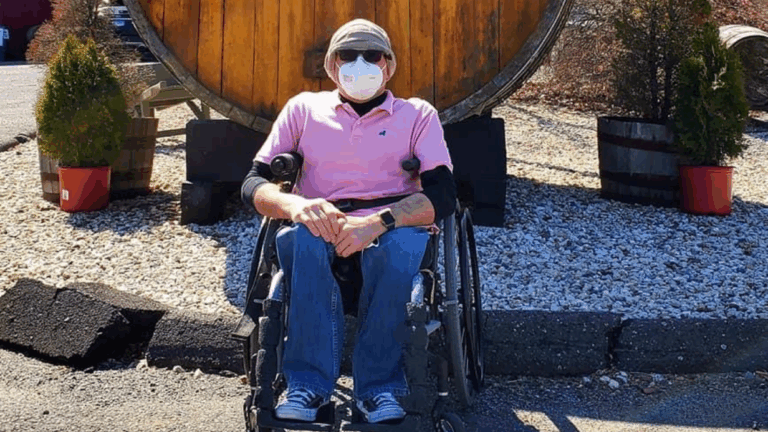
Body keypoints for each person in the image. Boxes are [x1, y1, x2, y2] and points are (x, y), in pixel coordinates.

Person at [241, 18, 456, 424]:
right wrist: (293, 206)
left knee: (399, 249)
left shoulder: (417, 115)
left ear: (388, 65)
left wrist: (376, 223)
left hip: (391, 224)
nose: (360, 63)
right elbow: (254, 182)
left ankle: (378, 390)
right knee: (299, 240)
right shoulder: (303, 108)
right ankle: (308, 387)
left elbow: (443, 195)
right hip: (320, 221)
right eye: (348, 55)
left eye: (371, 55)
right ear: (331, 65)